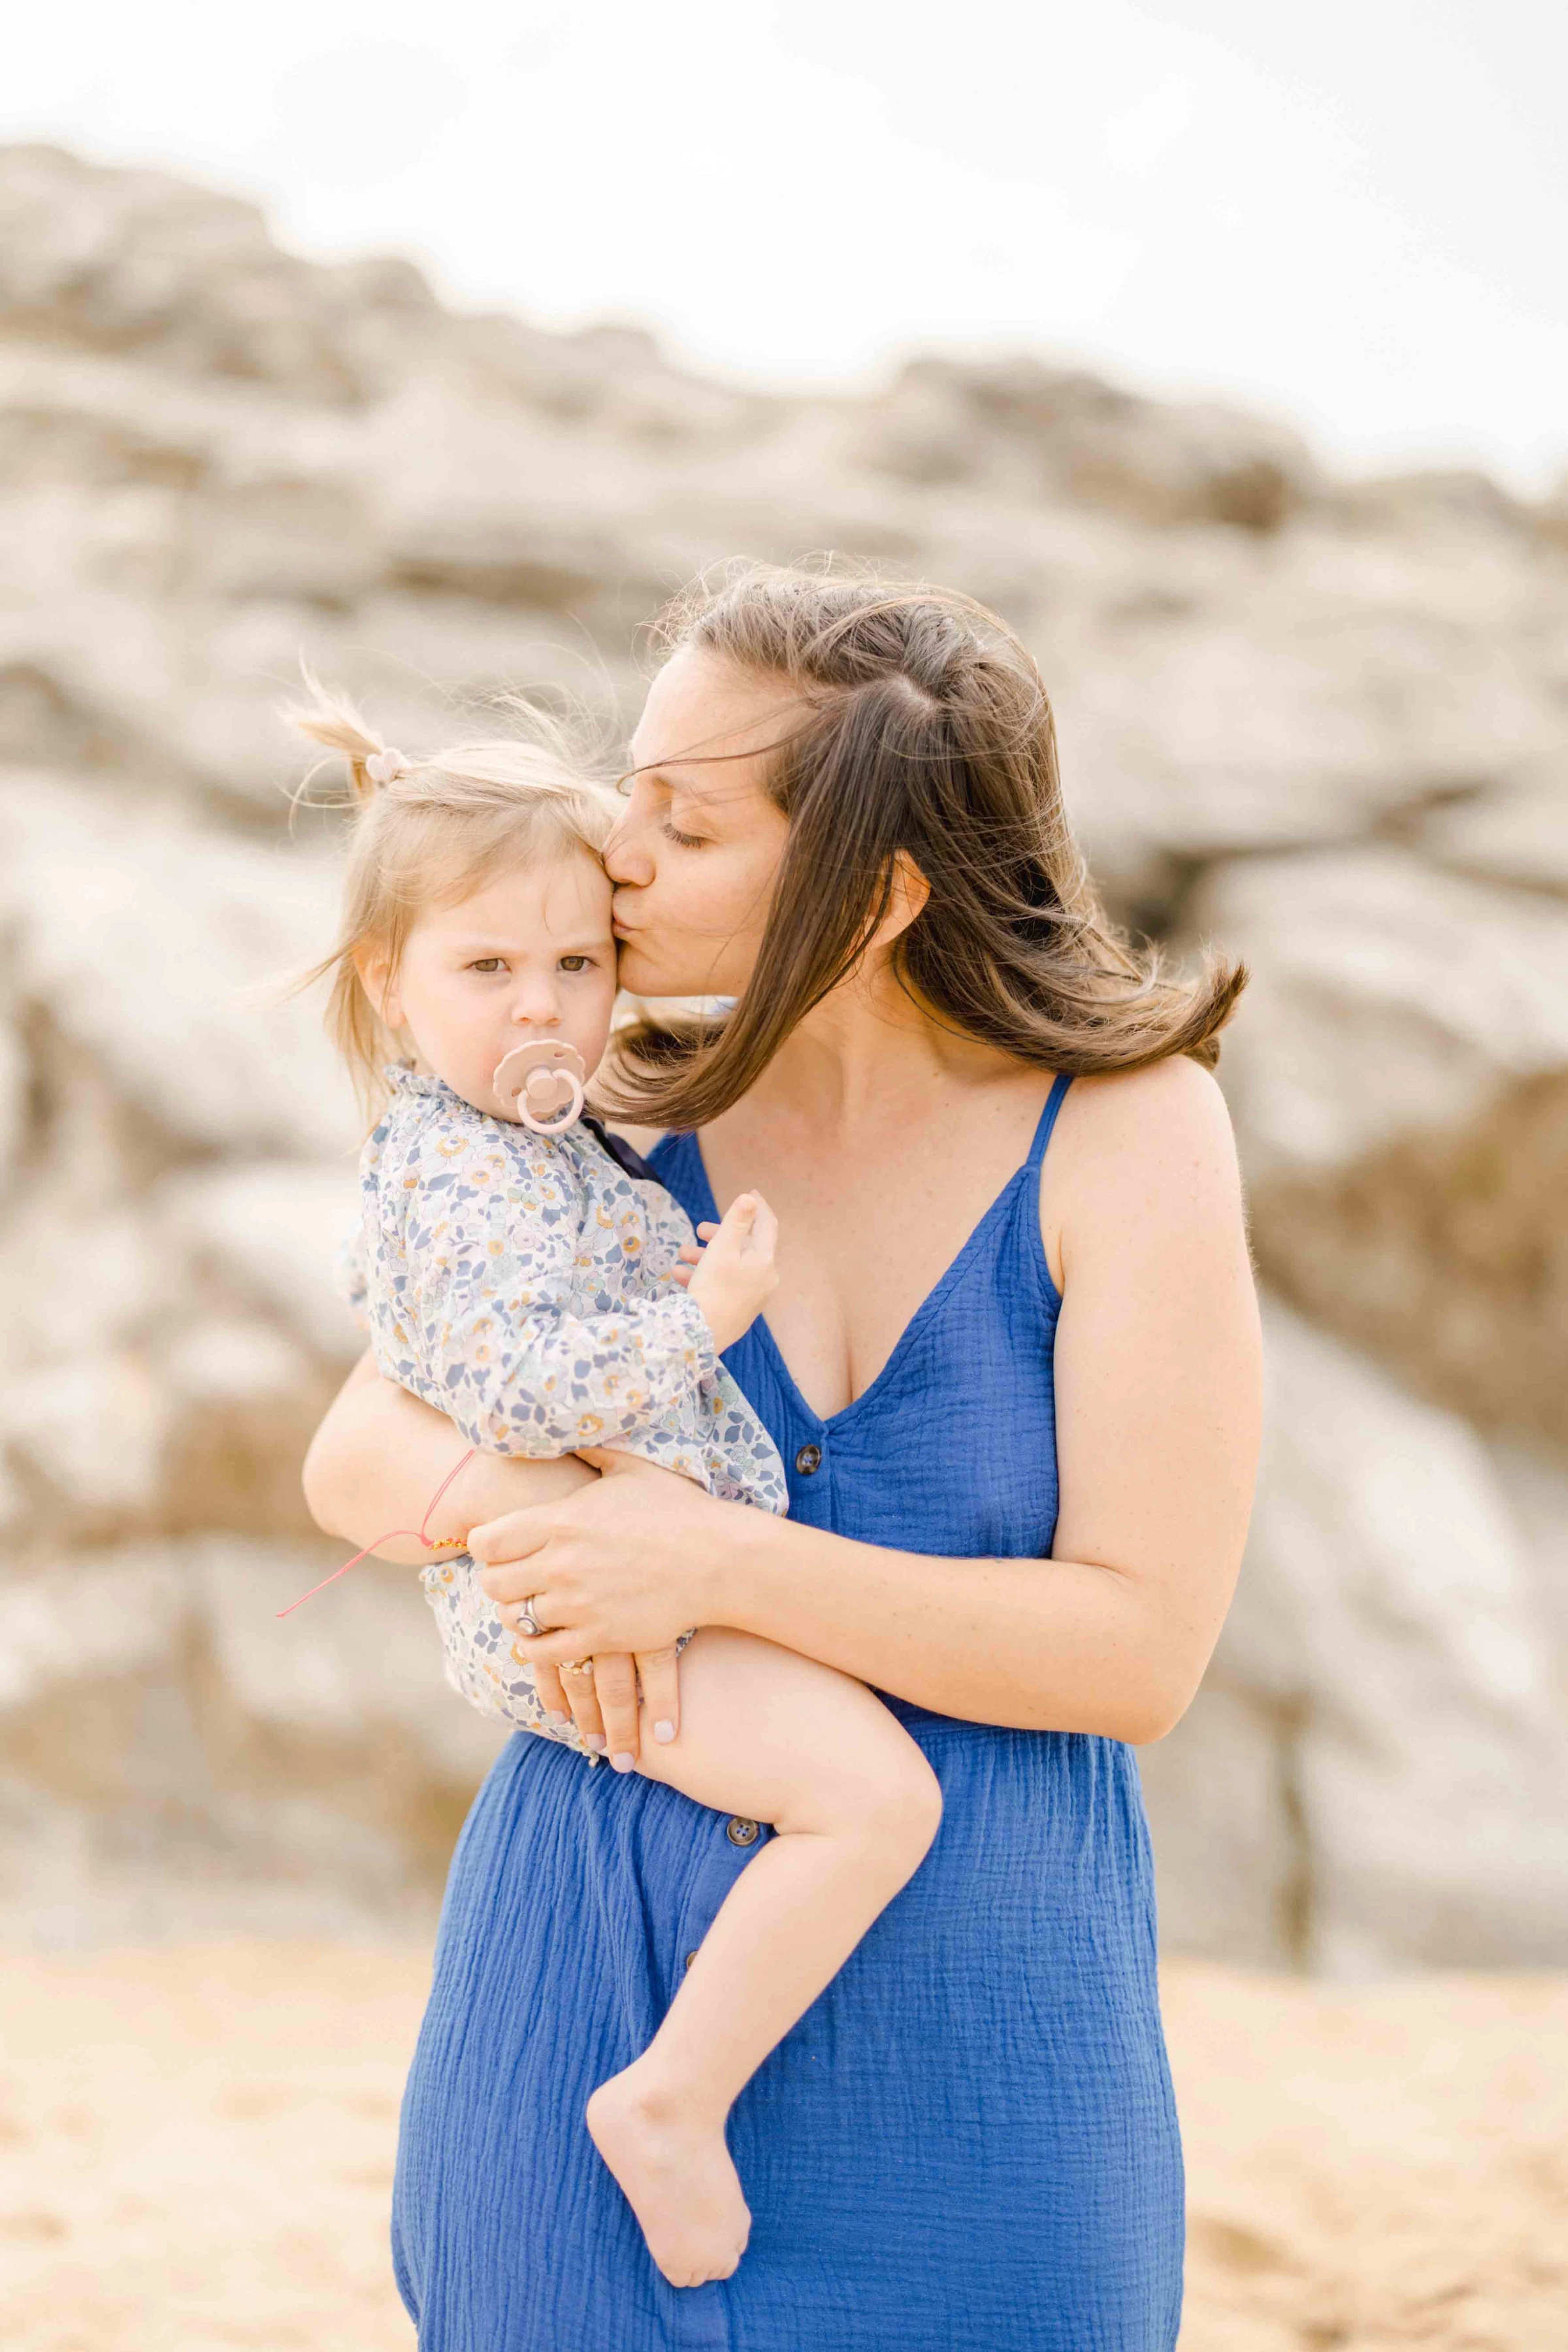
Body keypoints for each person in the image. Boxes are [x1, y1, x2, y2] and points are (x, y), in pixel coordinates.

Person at [304, 563, 1264, 2351]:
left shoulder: (1132, 1138)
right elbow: (358, 1452)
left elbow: (1140, 1652)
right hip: (578, 1988)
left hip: (984, 2057)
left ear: (878, 890)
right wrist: (532, 1507)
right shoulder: (591, 1105)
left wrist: (712, 1564)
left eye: (675, 819)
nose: (614, 851)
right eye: (623, 793)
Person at [293, 681, 943, 2285]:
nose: (544, 1010)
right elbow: (509, 1385)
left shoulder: (547, 1137)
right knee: (875, 1802)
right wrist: (699, 1318)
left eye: (578, 965)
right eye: (490, 970)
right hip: (584, 1612)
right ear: (390, 985)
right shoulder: (448, 1172)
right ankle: (672, 2099)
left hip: (645, 1580)